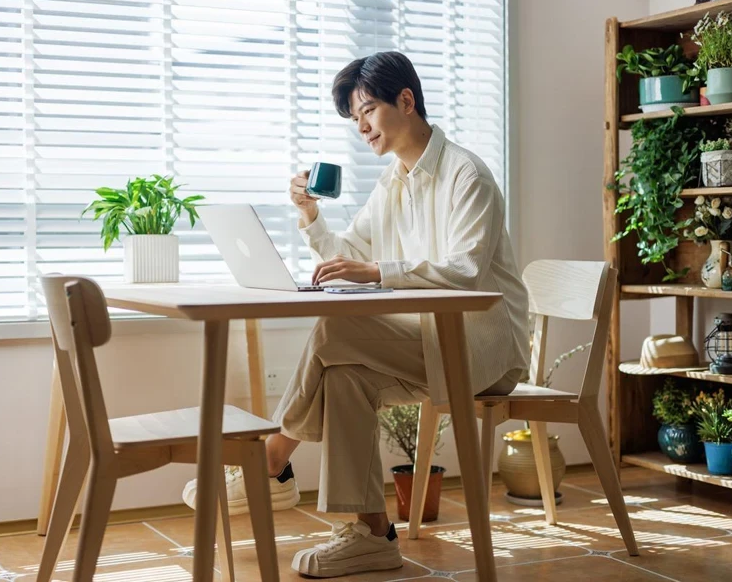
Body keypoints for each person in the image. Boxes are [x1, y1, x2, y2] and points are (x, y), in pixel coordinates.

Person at [184, 51, 529, 578]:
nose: (362, 127)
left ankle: (272, 459)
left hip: (484, 348)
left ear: (406, 101)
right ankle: (370, 533)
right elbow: (347, 257)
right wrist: (311, 216)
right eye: (354, 119)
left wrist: (375, 271)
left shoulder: (467, 174)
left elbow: (463, 271)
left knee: (334, 328)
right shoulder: (393, 182)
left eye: (367, 111)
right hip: (426, 339)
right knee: (345, 376)